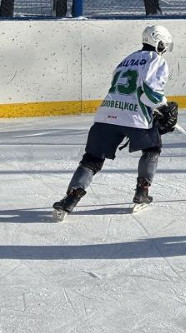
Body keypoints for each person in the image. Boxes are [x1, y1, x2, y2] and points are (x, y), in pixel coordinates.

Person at [52, 25, 178, 220]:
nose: (164, 49)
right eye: (164, 44)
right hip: (135, 116)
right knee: (152, 149)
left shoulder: (126, 59)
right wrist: (164, 107)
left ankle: (70, 199)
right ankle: (142, 192)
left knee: (92, 159)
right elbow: (149, 92)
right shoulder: (156, 60)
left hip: (107, 113)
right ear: (158, 42)